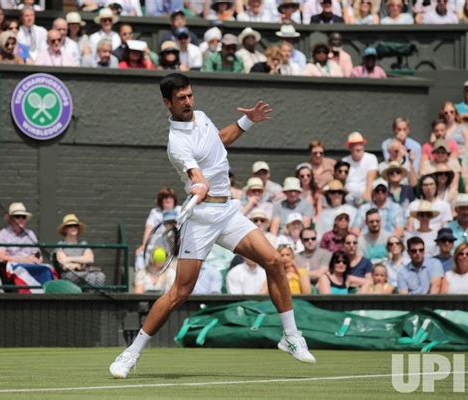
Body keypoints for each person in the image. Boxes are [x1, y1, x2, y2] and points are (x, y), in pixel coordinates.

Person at [109, 73, 315, 378]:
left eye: (190, 95)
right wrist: (200, 185)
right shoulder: (176, 143)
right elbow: (196, 175)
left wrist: (248, 122)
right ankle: (131, 353)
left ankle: (290, 337)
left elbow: (221, 141)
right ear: (168, 103)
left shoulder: (202, 117)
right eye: (181, 98)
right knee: (179, 293)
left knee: (273, 260)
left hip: (229, 213)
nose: (188, 101)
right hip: (201, 220)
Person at [55, 214, 106, 288]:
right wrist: (82, 261)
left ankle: (97, 299)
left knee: (101, 276)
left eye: (75, 225)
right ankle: (90, 298)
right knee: (91, 277)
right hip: (69, 275)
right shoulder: (60, 245)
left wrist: (72, 260)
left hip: (85, 271)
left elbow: (90, 259)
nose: (73, 227)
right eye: (70, 226)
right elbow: (63, 263)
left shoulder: (83, 243)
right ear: (65, 229)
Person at [342, 131, 378, 205]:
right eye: (355, 145)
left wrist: (367, 194)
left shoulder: (371, 158)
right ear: (349, 147)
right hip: (349, 195)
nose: (358, 148)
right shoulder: (344, 160)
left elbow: (371, 179)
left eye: (360, 144)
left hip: (365, 192)